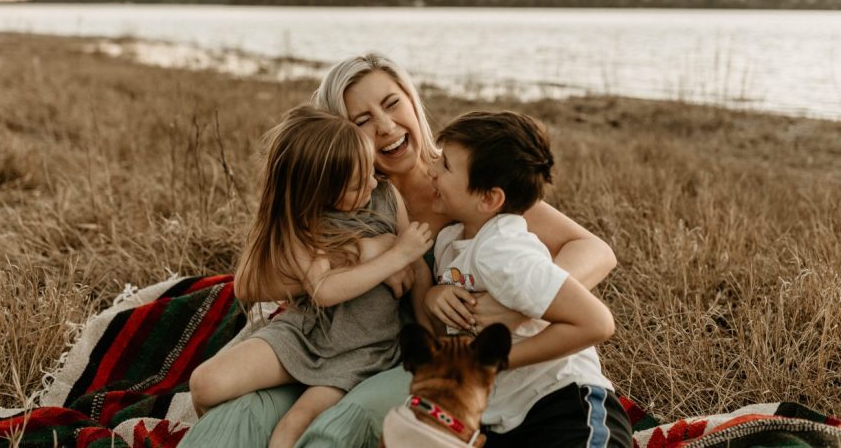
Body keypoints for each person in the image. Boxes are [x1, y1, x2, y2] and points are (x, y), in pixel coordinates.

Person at [181, 53, 618, 448]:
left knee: (337, 427)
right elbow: (261, 280)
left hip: (411, 358)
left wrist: (517, 307)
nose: (386, 127)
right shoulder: (347, 195)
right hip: (334, 339)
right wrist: (366, 250)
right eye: (362, 120)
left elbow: (594, 249)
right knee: (232, 422)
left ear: (412, 101)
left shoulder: (470, 184)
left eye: (391, 104)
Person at [186, 105, 433, 448]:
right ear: (320, 192)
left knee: (292, 427)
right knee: (205, 382)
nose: (373, 183)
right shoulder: (304, 222)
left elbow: (416, 273)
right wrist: (391, 256)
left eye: (369, 173)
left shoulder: (386, 197)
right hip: (303, 335)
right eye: (358, 183)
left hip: (362, 348)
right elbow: (323, 291)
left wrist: (429, 334)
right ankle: (224, 432)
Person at [426, 110, 632, 447]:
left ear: (489, 198)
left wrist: (491, 361)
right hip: (509, 421)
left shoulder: (504, 250)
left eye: (445, 165)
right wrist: (432, 295)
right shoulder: (452, 242)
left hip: (565, 405)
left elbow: (596, 323)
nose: (432, 170)